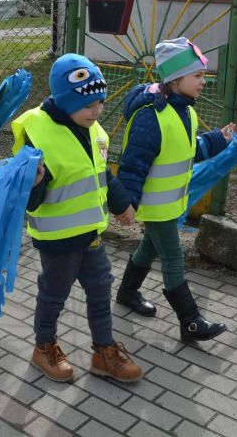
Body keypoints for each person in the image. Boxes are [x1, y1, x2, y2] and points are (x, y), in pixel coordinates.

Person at [11, 53, 143, 384]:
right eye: (88, 105)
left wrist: (122, 204)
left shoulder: (93, 130)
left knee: (100, 289)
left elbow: (102, 174)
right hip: (58, 240)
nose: (97, 111)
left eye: (100, 102)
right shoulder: (38, 134)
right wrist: (35, 183)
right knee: (54, 295)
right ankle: (44, 347)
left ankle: (104, 351)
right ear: (66, 101)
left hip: (91, 235)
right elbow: (27, 200)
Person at [115, 37, 235, 342]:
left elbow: (188, 149)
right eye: (198, 75)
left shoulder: (185, 111)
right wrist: (126, 202)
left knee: (149, 248)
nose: (203, 82)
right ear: (175, 79)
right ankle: (190, 321)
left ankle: (127, 292)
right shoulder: (150, 118)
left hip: (170, 203)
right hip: (155, 206)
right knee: (173, 257)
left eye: (204, 75)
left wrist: (217, 140)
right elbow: (132, 165)